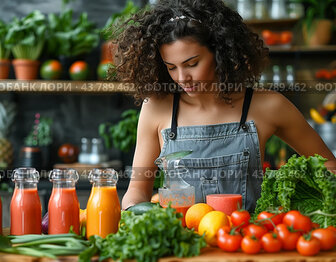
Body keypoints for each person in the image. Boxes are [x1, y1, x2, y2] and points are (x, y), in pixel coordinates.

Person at [113, 0, 336, 212]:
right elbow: (137, 191)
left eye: (192, 64)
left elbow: (329, 168)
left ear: (220, 53)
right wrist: (135, 212)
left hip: (246, 244)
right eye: (171, 67)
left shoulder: (269, 105)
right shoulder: (156, 108)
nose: (182, 78)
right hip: (183, 247)